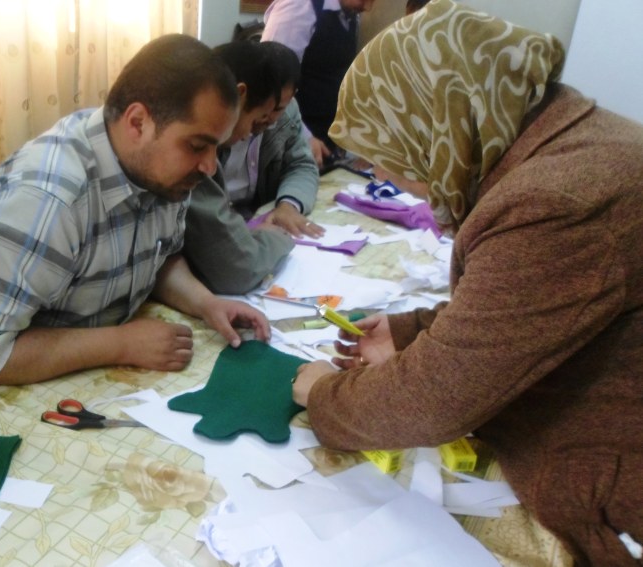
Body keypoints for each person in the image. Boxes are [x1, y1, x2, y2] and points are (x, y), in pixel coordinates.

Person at [292, 1, 643, 565]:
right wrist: (410, 332)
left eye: (385, 151)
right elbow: (537, 308)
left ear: (435, 123)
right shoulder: (570, 139)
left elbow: (435, 401)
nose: (382, 173)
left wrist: (323, 396)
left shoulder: (554, 200)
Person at [0, 34, 270, 386]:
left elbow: (159, 259)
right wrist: (120, 344)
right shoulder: (48, 200)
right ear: (137, 123)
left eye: (216, 148)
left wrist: (206, 303)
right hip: (19, 374)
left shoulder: (161, 171)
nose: (209, 166)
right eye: (197, 146)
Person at [185, 40, 321, 295]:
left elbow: (301, 164)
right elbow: (233, 267)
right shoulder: (201, 149)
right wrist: (276, 237)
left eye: (278, 109)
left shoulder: (282, 114)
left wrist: (288, 205)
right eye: (265, 110)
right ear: (240, 95)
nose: (268, 121)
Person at [261, 0, 376, 168]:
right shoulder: (298, 7)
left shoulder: (348, 16)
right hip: (293, 144)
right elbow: (271, 85)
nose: (368, 7)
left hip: (325, 144)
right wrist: (303, 136)